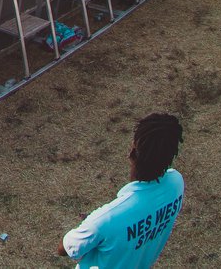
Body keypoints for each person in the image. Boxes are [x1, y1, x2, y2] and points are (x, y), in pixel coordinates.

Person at [59, 112, 184, 268]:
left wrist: (92, 223)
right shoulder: (177, 184)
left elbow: (64, 249)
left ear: (132, 152)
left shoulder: (104, 220)